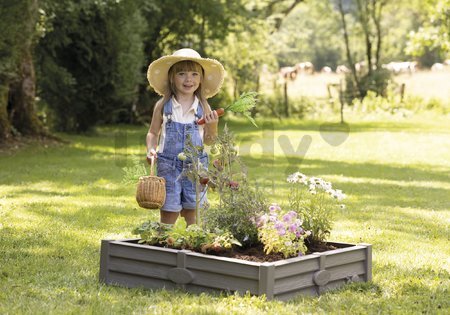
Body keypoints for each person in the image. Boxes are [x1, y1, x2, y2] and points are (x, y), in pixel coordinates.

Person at [145, 48, 225, 225]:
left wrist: (213, 125)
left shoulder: (204, 107)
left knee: (194, 212)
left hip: (196, 168)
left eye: (194, 74)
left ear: (201, 79)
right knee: (169, 212)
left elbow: (209, 140)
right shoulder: (163, 105)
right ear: (172, 78)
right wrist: (151, 149)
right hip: (169, 167)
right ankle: (165, 243)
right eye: (182, 74)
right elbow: (153, 132)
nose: (189, 79)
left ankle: (192, 247)